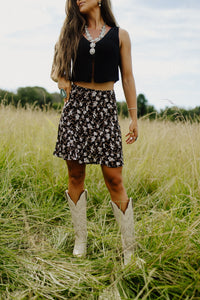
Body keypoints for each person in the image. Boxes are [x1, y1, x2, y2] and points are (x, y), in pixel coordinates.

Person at [51, 0, 138, 265]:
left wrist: (134, 117)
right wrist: (60, 78)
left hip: (105, 110)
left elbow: (127, 77)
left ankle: (130, 251)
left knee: (114, 179)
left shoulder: (120, 35)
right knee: (75, 174)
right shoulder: (69, 33)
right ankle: (81, 241)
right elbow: (56, 68)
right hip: (76, 108)